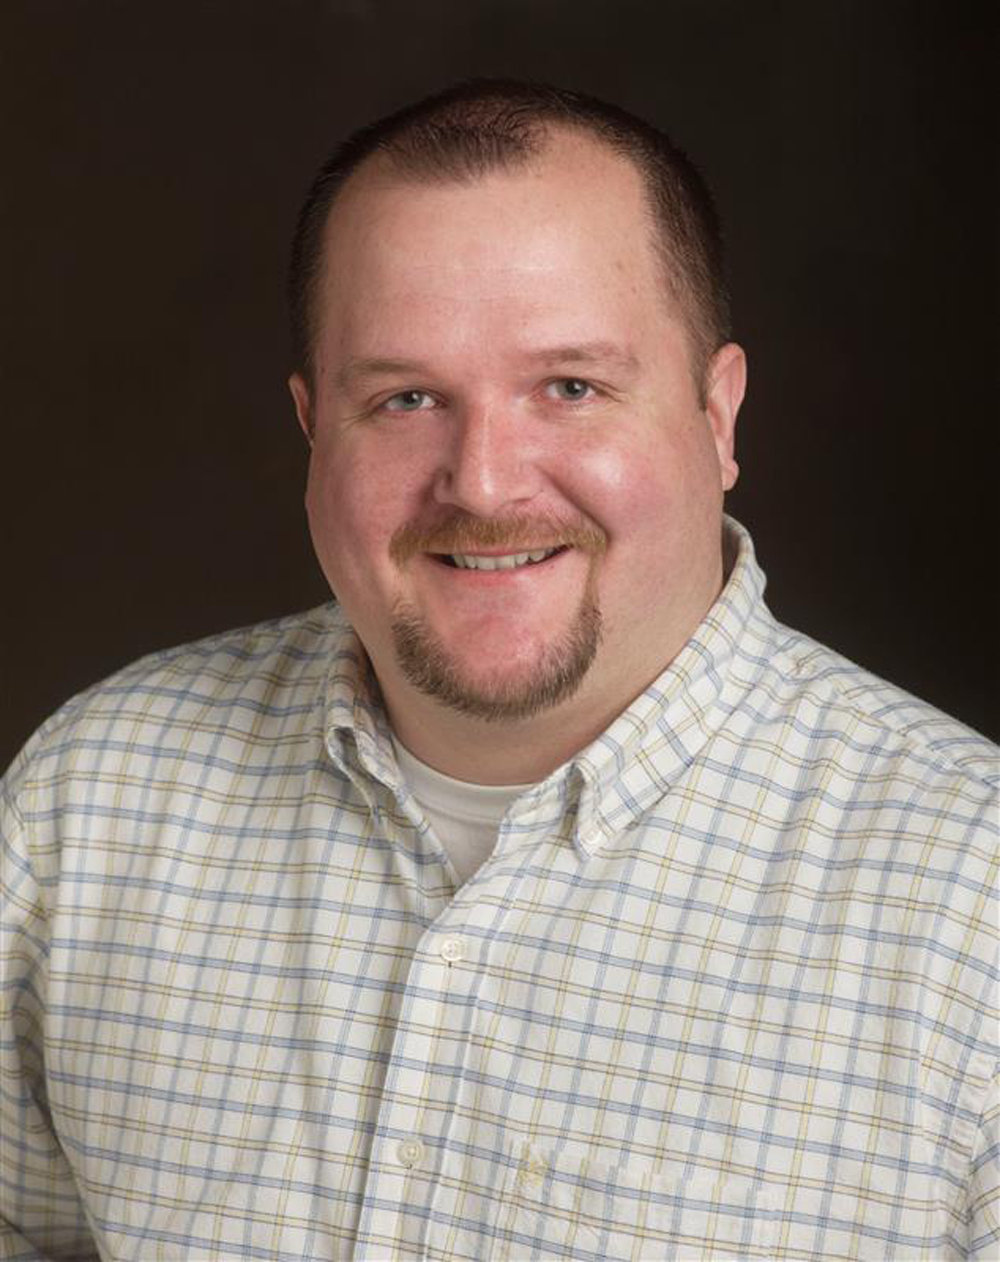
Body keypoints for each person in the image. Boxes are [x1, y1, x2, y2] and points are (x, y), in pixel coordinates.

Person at [1, 79, 996, 1262]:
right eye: (406, 397)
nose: (481, 482)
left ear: (717, 414)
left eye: (569, 387)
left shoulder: (969, 903)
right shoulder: (89, 802)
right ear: (314, 427)